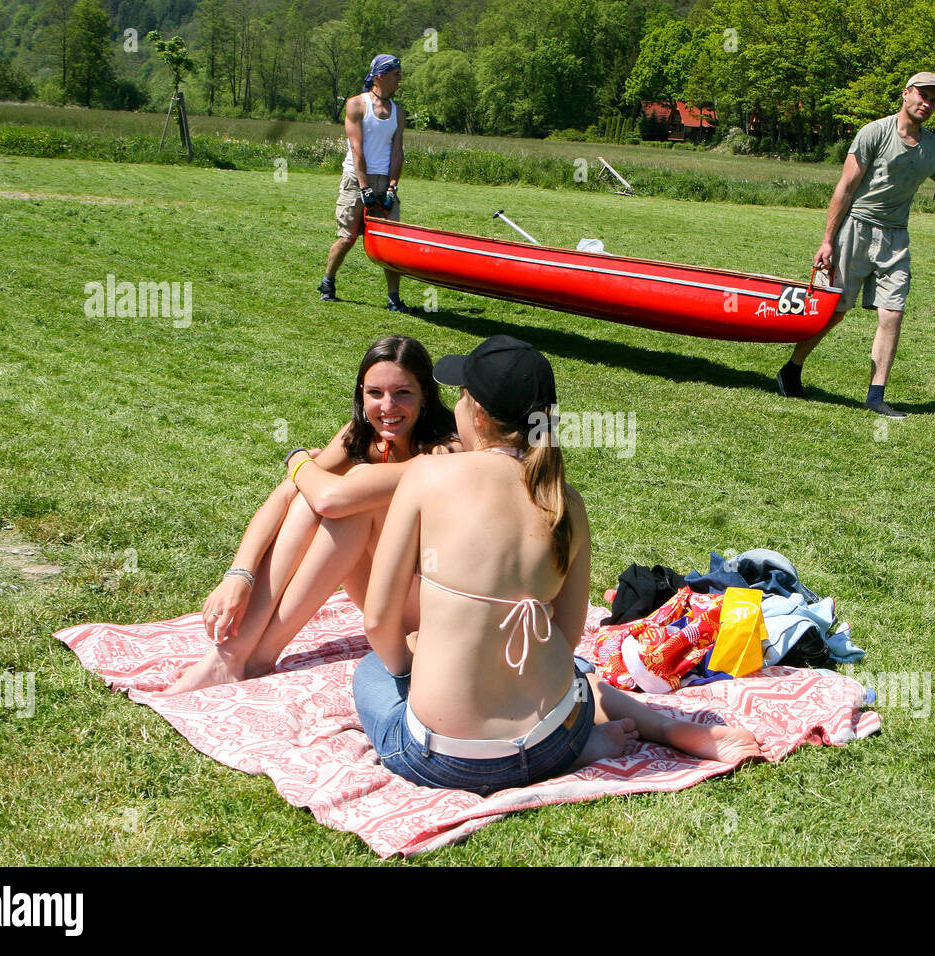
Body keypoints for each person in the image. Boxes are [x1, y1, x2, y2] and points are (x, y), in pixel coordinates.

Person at [354, 335, 763, 794]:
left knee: (372, 672)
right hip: (553, 739)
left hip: (449, 760)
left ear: (479, 414)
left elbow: (377, 619)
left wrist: (414, 661)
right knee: (576, 670)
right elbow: (566, 640)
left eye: (462, 396)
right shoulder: (567, 501)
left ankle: (570, 742)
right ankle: (636, 733)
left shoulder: (428, 475)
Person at [165, 335, 458, 695]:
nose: (388, 406)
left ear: (426, 394)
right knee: (307, 499)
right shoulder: (363, 434)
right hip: (388, 595)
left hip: (430, 613)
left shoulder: (443, 450)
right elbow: (290, 493)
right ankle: (233, 657)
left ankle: (254, 657)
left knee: (349, 502)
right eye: (375, 393)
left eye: (403, 393)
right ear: (361, 393)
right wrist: (238, 576)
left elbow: (332, 499)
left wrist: (297, 459)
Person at [777, 71, 935, 418]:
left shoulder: (933, 149)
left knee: (893, 313)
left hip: (895, 238)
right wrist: (827, 240)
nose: (927, 103)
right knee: (836, 311)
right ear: (906, 94)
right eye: (922, 95)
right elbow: (844, 187)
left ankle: (876, 396)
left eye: (934, 99)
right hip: (856, 229)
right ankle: (792, 368)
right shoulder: (875, 133)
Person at [319, 53, 409, 311]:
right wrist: (364, 187)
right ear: (380, 76)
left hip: (384, 180)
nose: (399, 80)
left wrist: (392, 185)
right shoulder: (356, 105)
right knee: (348, 238)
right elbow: (356, 148)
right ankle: (328, 282)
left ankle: (394, 298)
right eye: (396, 75)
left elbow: (397, 151)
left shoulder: (398, 113)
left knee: (390, 242)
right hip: (356, 179)